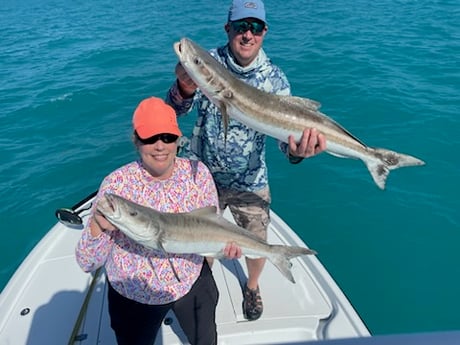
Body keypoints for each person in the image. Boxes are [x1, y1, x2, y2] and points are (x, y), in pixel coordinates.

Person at [165, 0, 327, 322]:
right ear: (228, 30)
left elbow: (286, 144)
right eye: (241, 26)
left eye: (255, 27)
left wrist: (297, 153)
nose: (248, 34)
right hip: (203, 175)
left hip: (250, 179)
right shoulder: (205, 63)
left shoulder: (276, 81)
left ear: (264, 32)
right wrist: (183, 88)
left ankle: (252, 286)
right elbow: (174, 111)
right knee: (200, 245)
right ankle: (201, 286)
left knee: (257, 241)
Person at [75, 97, 241, 345]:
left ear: (177, 139)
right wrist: (98, 227)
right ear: (136, 141)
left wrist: (221, 251)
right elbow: (88, 263)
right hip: (134, 294)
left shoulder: (199, 174)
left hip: (191, 283)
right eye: (150, 138)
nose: (160, 146)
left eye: (167, 137)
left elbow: (213, 226)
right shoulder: (116, 186)